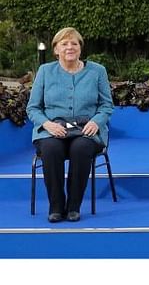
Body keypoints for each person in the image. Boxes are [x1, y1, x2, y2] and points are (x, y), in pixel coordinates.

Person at [26, 27, 114, 223]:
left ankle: (74, 206)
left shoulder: (97, 71)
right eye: (64, 44)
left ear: (80, 48)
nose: (69, 47)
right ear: (56, 49)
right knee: (50, 148)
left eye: (74, 43)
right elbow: (33, 108)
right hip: (52, 129)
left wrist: (96, 121)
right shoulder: (45, 71)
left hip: (86, 129)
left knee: (81, 148)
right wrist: (47, 124)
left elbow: (107, 105)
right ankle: (56, 207)